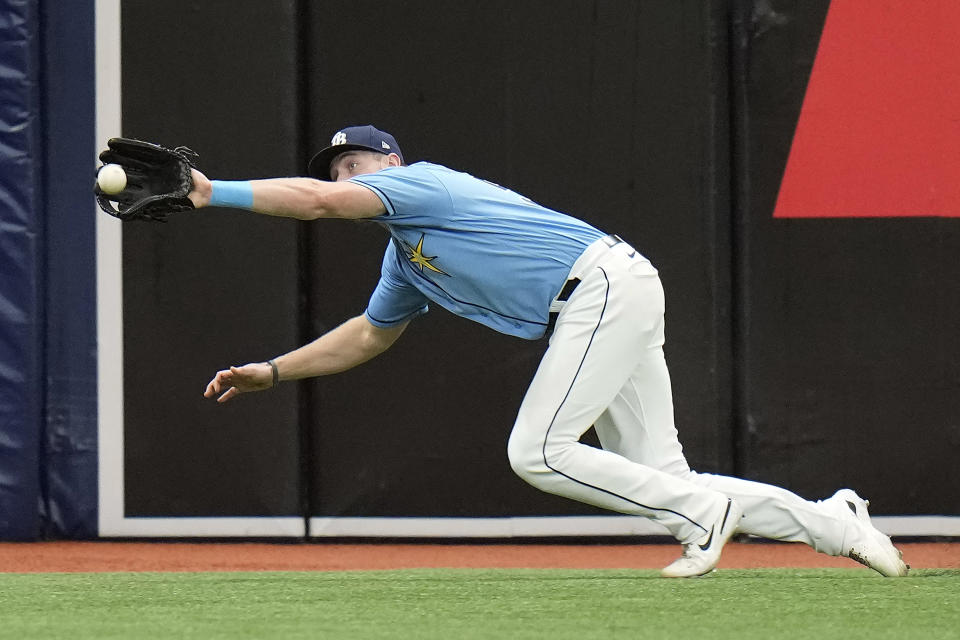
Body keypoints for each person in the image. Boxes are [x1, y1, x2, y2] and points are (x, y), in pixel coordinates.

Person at [200, 125, 907, 578]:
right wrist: (272, 371)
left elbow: (318, 205)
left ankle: (700, 516)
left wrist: (213, 193)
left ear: (392, 163)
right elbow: (367, 334)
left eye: (356, 164)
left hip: (599, 286)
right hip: (610, 288)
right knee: (662, 474)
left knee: (536, 452)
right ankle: (835, 526)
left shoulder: (421, 186)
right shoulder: (406, 260)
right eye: (337, 169)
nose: (344, 178)